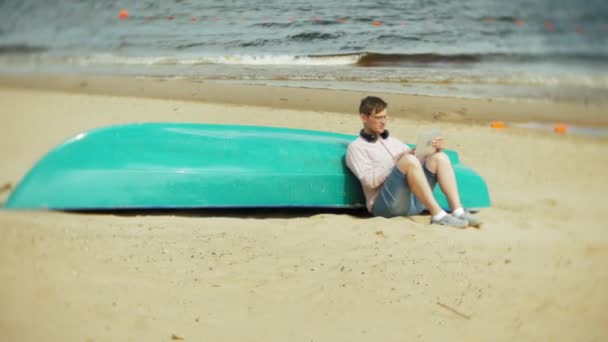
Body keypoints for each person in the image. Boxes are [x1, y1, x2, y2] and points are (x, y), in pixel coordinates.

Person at [345, 96, 482, 228]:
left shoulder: (394, 142)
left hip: (413, 203)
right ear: (364, 117)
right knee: (408, 160)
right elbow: (369, 181)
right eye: (378, 117)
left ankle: (458, 211)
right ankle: (438, 215)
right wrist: (397, 160)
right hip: (385, 207)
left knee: (440, 158)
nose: (383, 121)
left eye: (385, 117)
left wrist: (431, 151)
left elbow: (415, 165)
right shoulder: (356, 147)